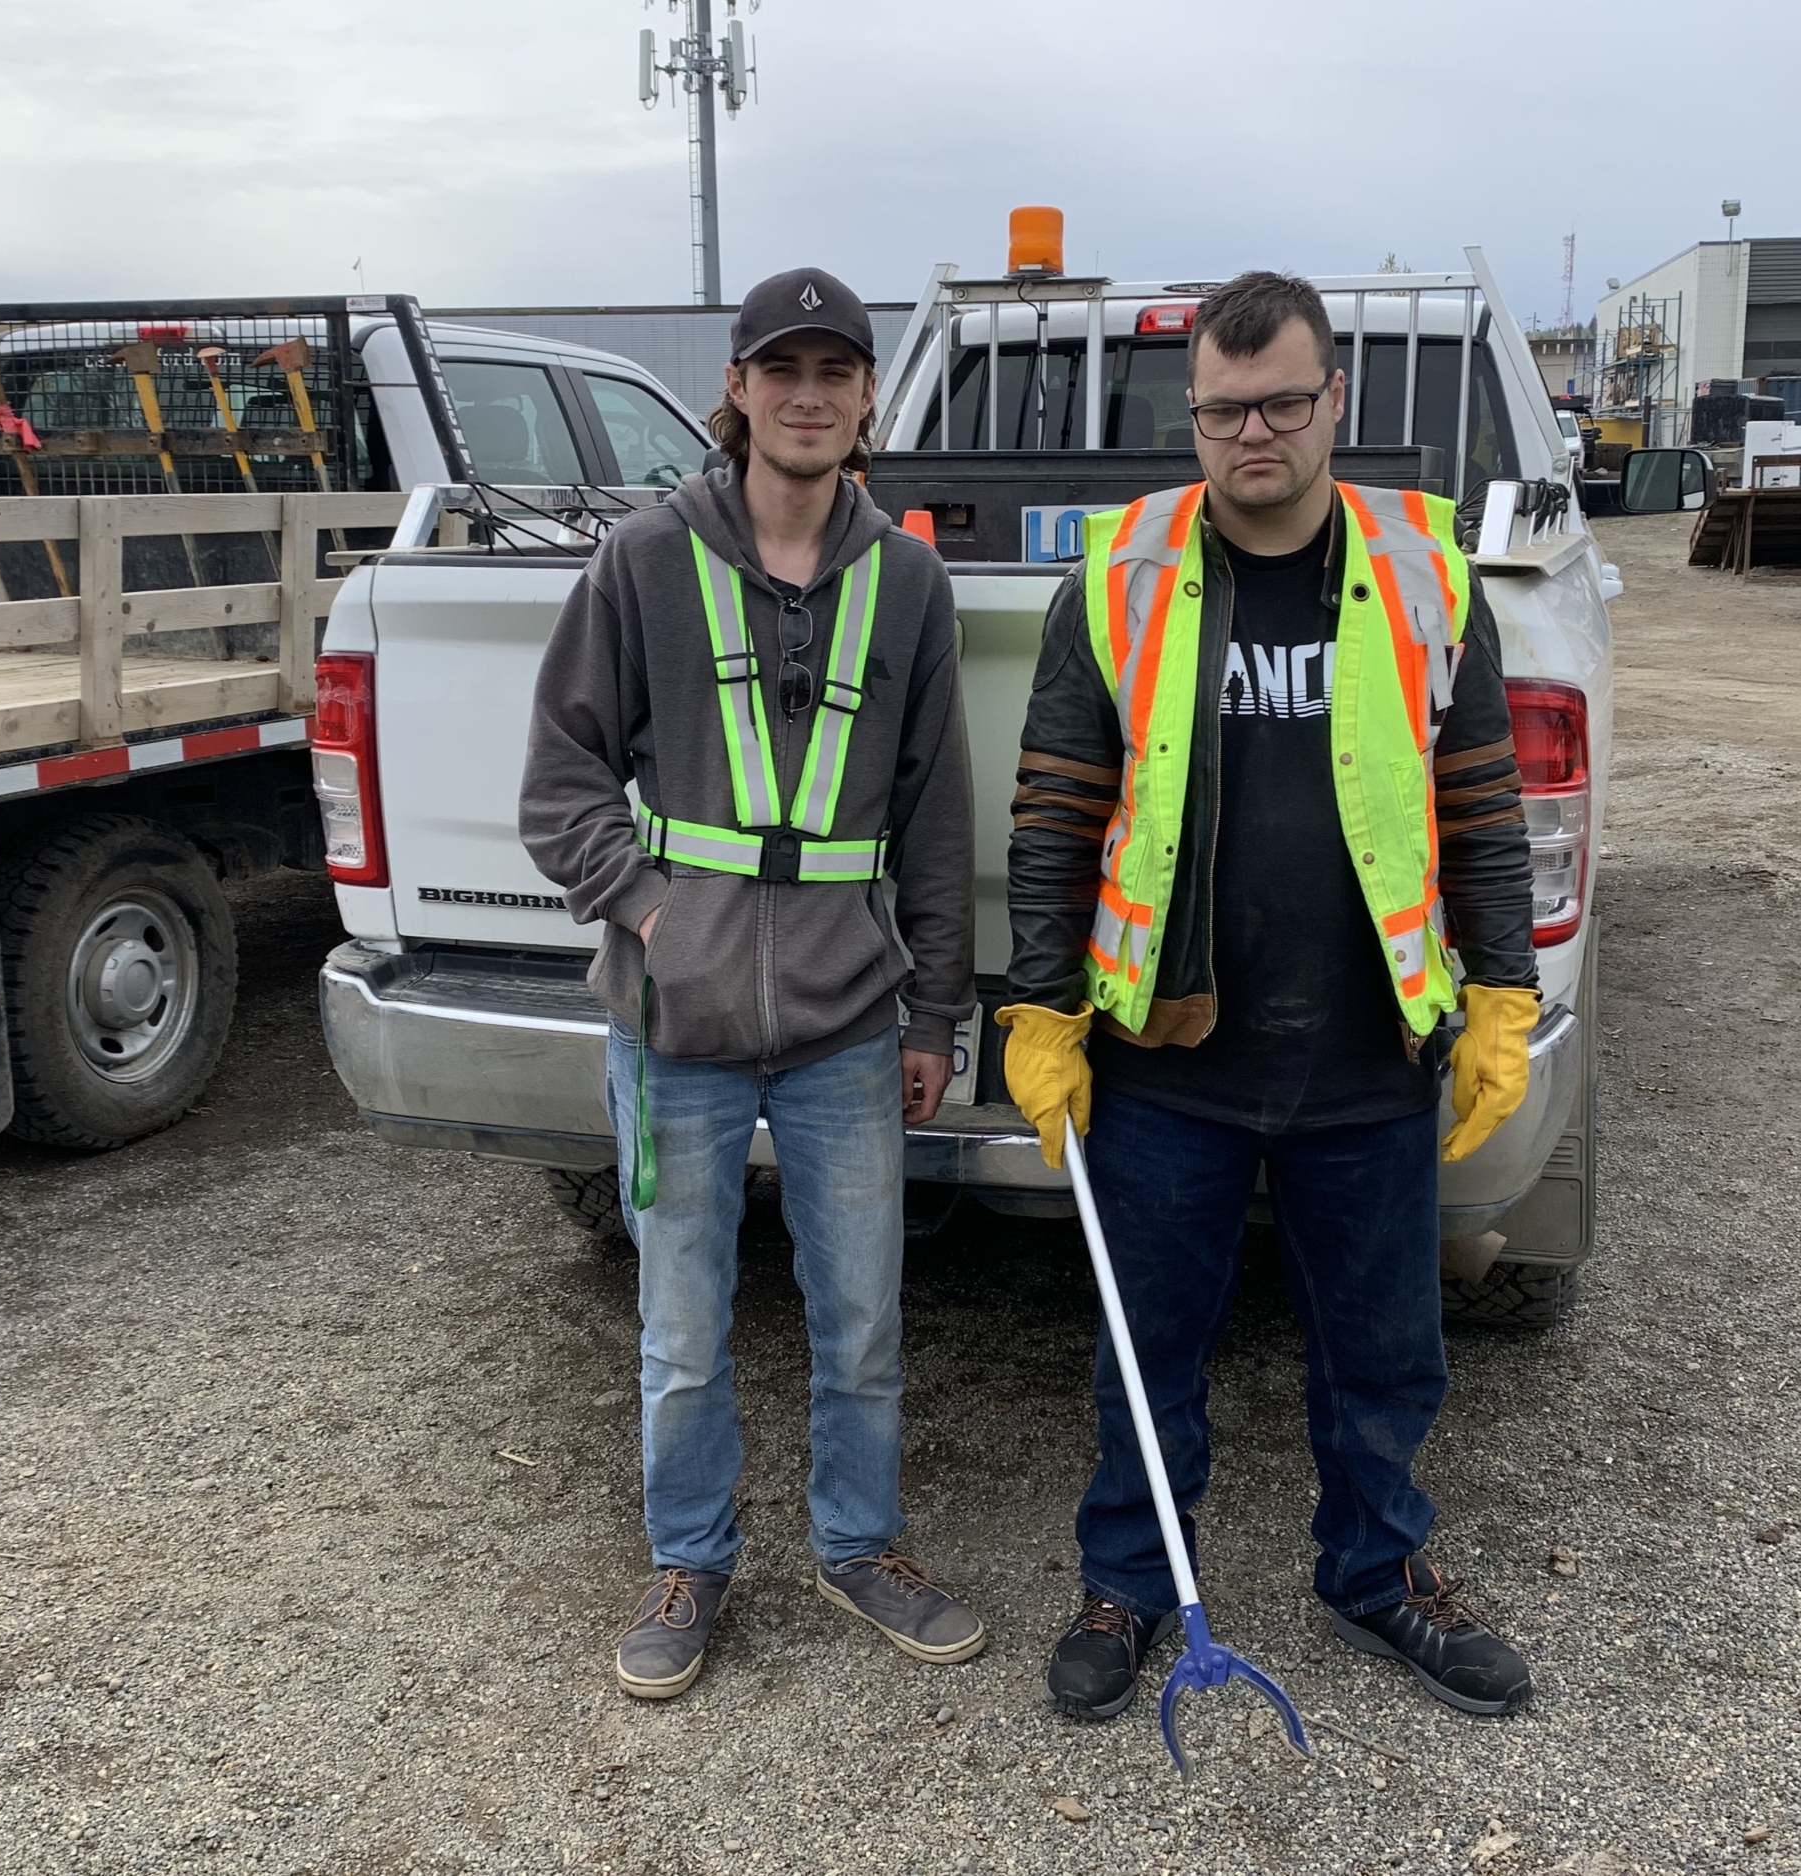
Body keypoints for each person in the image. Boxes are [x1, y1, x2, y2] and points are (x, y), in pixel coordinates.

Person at [995, 270, 1544, 1724]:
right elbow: (1055, 808)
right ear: (1193, 416)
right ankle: (1129, 1580)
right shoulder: (1119, 576)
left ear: (1333, 402)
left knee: (1383, 1351)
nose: (1256, 433)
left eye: (1283, 403)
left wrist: (1503, 995)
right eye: (1227, 409)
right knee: (1145, 1349)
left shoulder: (1426, 568)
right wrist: (1040, 1011)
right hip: (1169, 1061)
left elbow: (1480, 801)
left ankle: (1376, 1572)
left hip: (1370, 1049)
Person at [521, 266, 982, 1700]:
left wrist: (934, 1013)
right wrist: (653, 915)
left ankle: (859, 1547)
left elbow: (937, 814)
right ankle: (691, 1561)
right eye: (779, 368)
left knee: (859, 1319)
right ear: (736, 389)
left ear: (865, 401)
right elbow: (562, 783)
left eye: (835, 371)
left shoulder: (908, 580)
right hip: (679, 1028)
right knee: (683, 1328)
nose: (807, 393)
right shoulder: (648, 559)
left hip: (851, 1026)